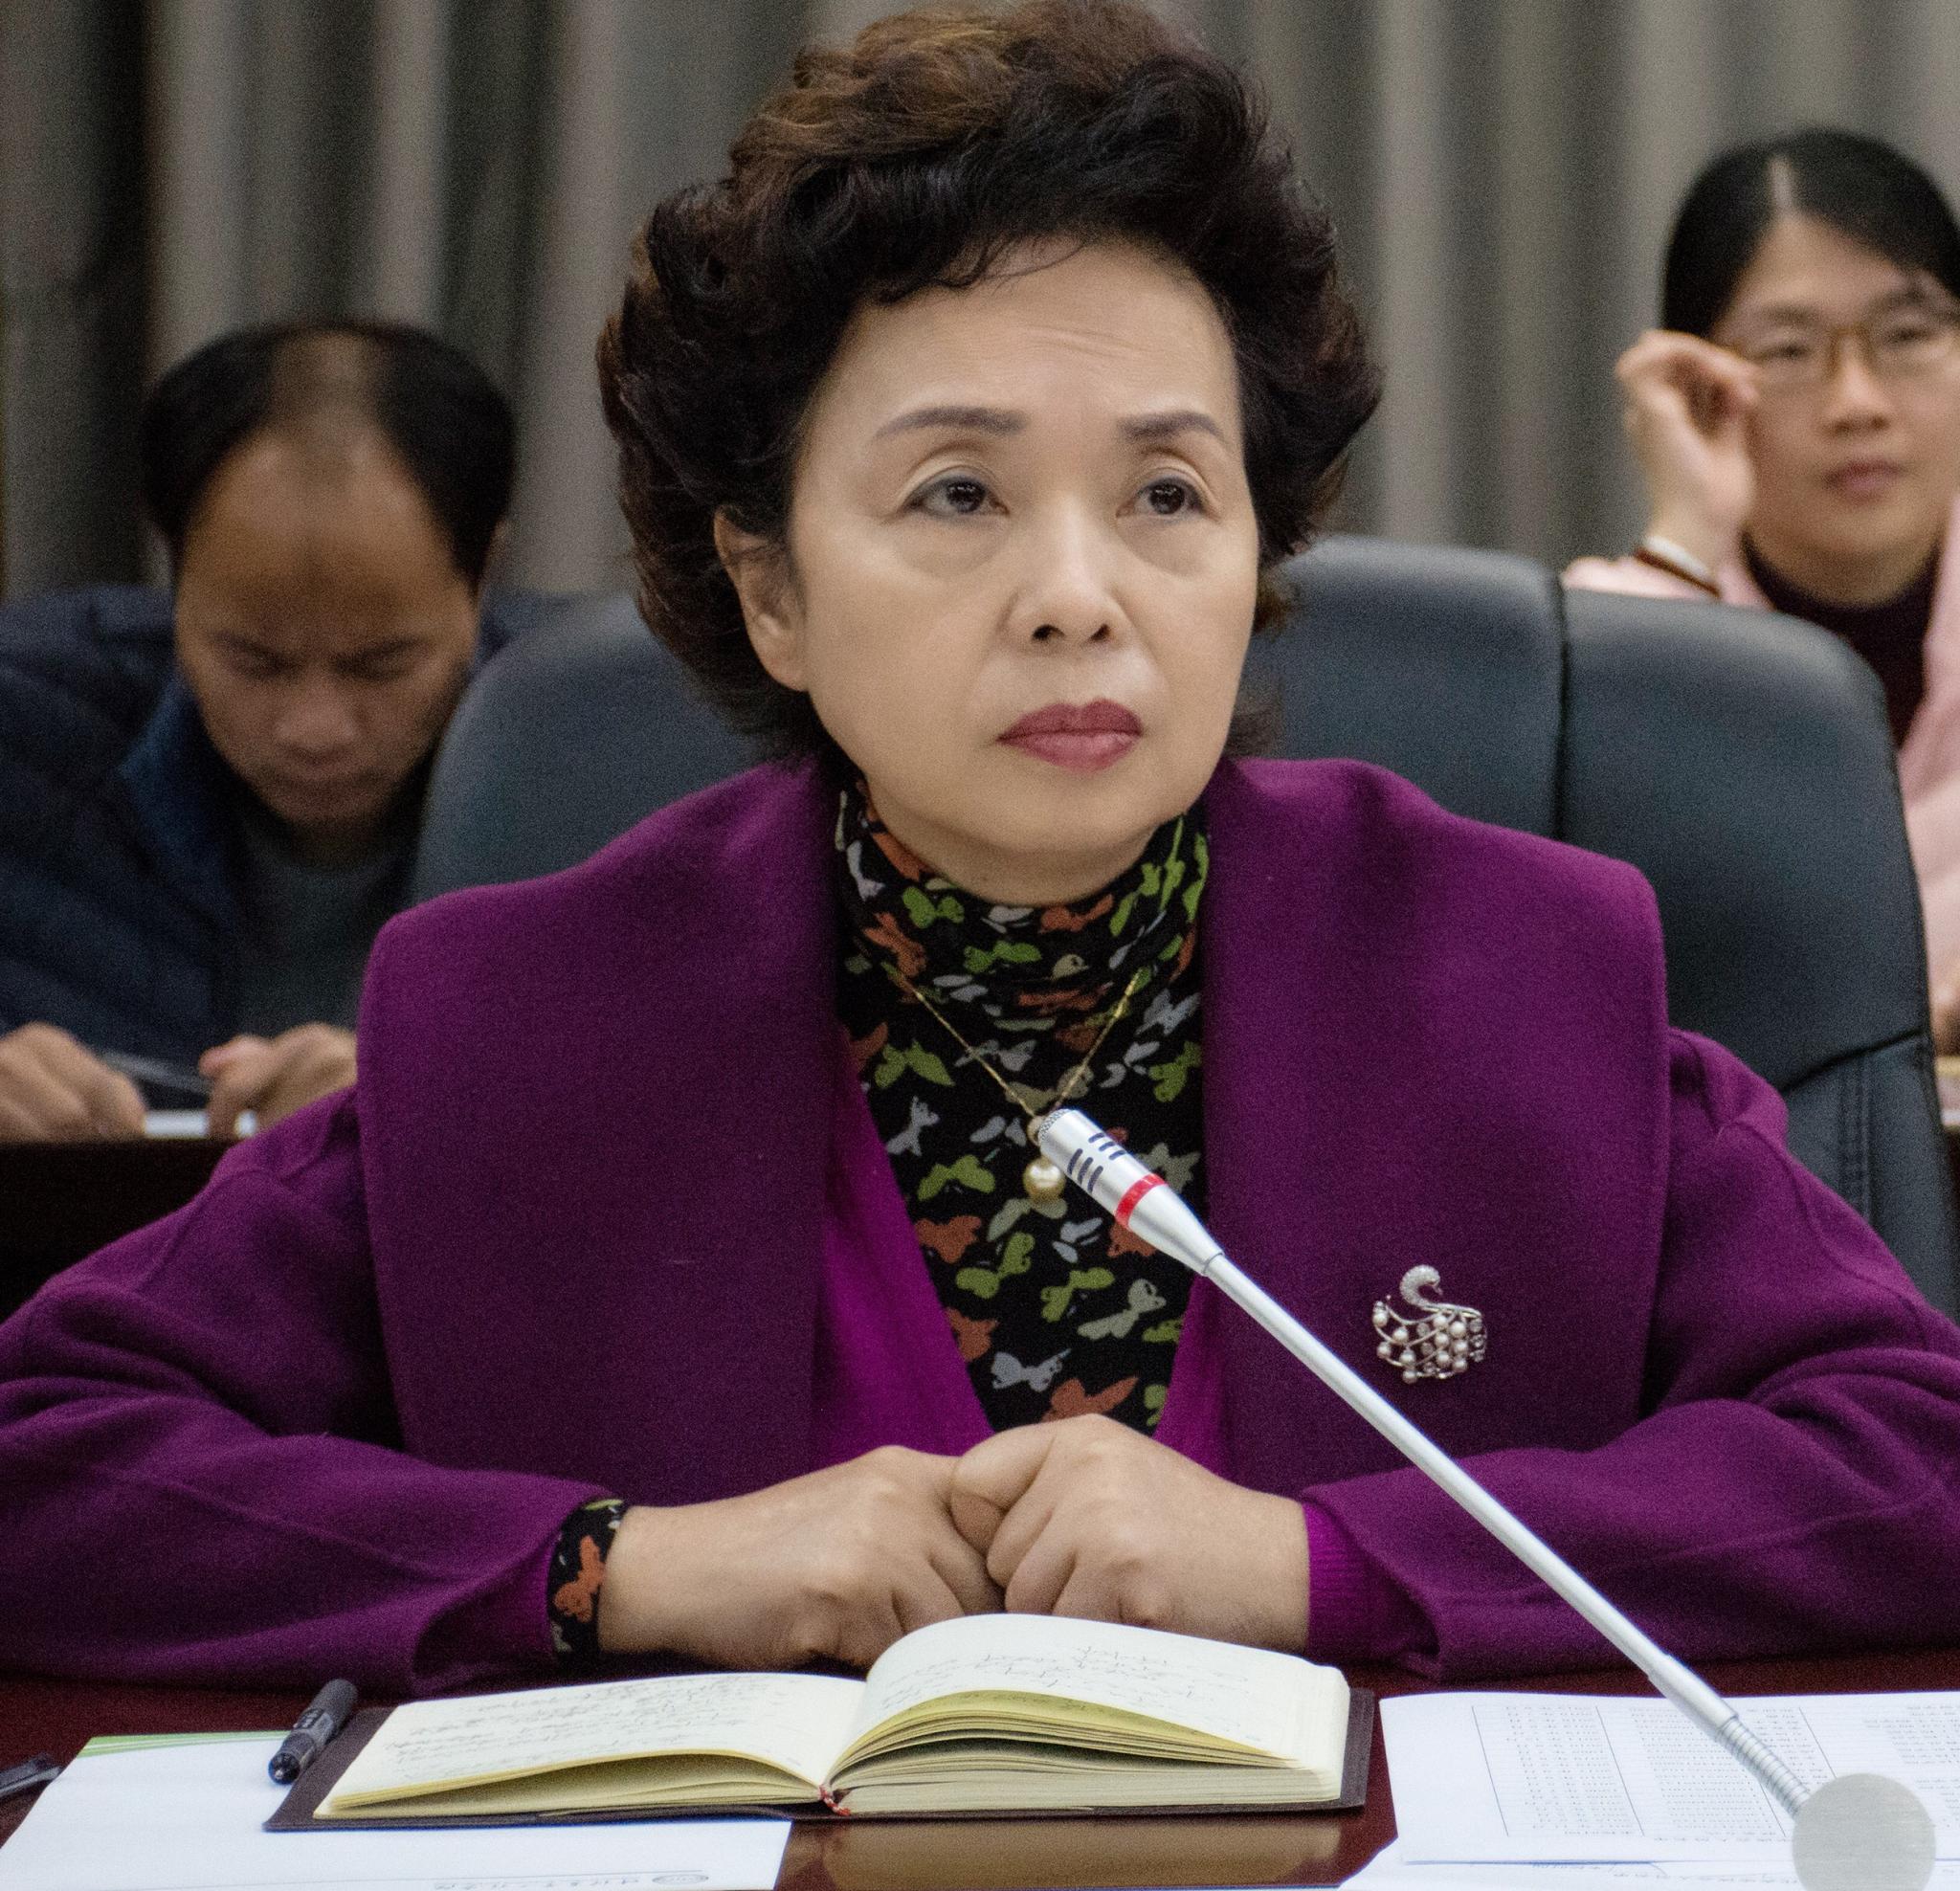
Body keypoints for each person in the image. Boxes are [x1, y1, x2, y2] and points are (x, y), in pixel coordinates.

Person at [2, 0, 1959, 1701]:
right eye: (956, 492)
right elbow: (46, 1450)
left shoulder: (1519, 970)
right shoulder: (522, 1021)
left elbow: (1912, 1453)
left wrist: (1319, 1562)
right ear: (771, 585)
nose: (1076, 594)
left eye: (1167, 493)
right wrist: (617, 1568)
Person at [0, 320, 529, 1140]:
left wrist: (439, 1100)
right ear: (175, 568)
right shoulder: (24, 726)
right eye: (253, 659)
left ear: (482, 572)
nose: (315, 730)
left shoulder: (610, 747)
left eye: (381, 663)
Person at [1564, 129, 1960, 1038]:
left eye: (1908, 336)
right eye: (1787, 351)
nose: (1858, 402)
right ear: (1697, 380)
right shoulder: (1616, 629)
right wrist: (1687, 534)